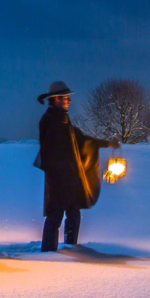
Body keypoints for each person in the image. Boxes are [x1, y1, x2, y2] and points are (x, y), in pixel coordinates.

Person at [36, 81, 119, 253]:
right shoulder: (51, 121)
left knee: (72, 213)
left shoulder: (61, 119)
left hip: (68, 179)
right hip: (59, 179)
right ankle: (48, 254)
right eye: (66, 98)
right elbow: (52, 153)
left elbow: (81, 140)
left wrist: (107, 144)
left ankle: (70, 249)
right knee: (55, 215)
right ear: (57, 99)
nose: (70, 101)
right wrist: (61, 176)